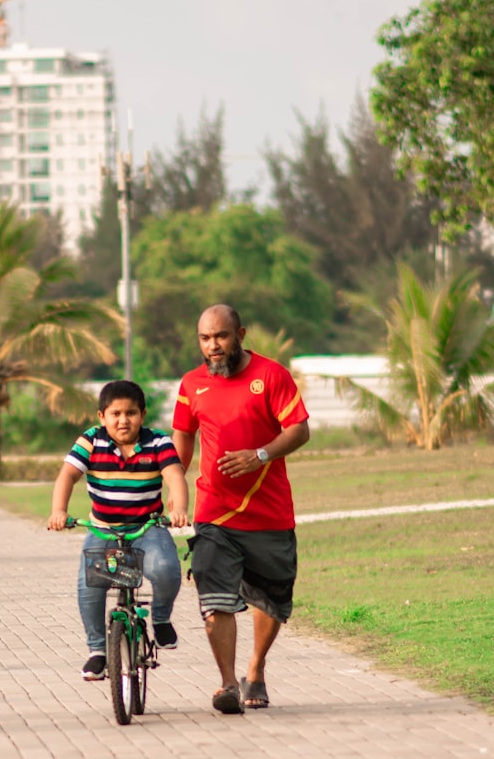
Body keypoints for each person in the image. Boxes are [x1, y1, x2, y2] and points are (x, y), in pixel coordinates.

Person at [172, 304, 310, 713]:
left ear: (240, 334)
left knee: (272, 598)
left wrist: (260, 455)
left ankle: (256, 668)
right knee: (214, 596)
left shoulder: (271, 376)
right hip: (213, 510)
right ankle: (228, 684)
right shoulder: (191, 383)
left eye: (221, 336)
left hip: (269, 512)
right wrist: (169, 484)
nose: (213, 346)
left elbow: (299, 429)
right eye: (205, 338)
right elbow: (182, 440)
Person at [48, 380, 190, 681]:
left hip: (147, 528)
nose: (123, 420)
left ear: (143, 414)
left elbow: (175, 475)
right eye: (115, 414)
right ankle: (98, 651)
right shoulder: (90, 441)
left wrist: (179, 509)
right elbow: (67, 476)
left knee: (165, 569)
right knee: (89, 588)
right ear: (102, 417)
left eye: (131, 413)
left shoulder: (158, 442)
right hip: (103, 530)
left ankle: (161, 619)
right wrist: (59, 511)